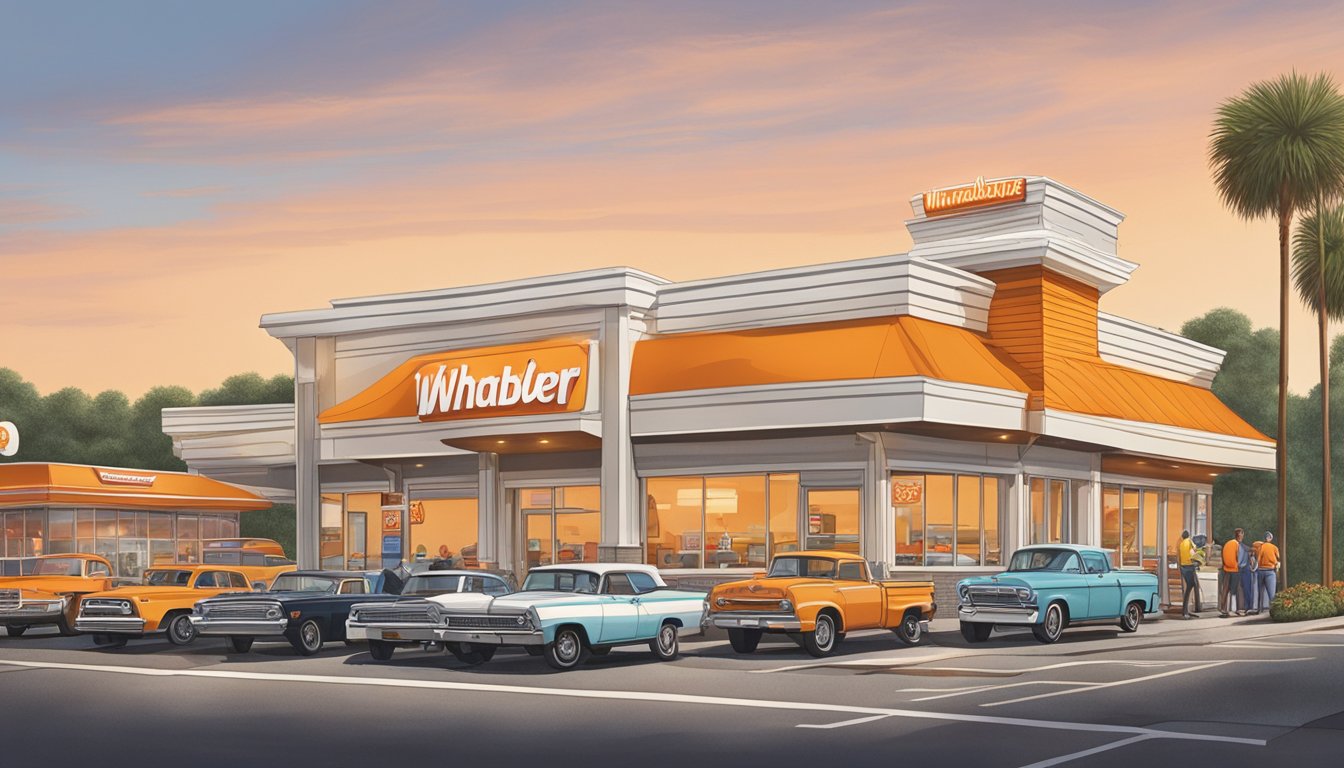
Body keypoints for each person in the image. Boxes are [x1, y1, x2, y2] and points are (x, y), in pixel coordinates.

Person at [1219, 528, 1244, 618]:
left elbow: (1223, 556)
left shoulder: (1227, 544)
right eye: (1241, 535)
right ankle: (1238, 609)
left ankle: (1224, 609)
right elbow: (1239, 558)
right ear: (1240, 536)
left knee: (1225, 589)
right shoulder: (1238, 545)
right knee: (1238, 589)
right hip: (1235, 570)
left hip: (1226, 570)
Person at [1178, 530, 1200, 619]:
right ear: (1188, 536)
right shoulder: (1189, 541)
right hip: (1189, 566)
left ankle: (1188, 609)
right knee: (1192, 586)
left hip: (1183, 567)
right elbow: (1193, 553)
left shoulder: (1181, 544)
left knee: (1192, 585)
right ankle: (1186, 611)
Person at [1256, 531, 1280, 612]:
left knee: (1260, 591)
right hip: (1270, 571)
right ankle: (1273, 610)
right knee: (1271, 593)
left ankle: (1259, 609)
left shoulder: (1260, 547)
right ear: (1271, 538)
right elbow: (1278, 558)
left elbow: (1258, 559)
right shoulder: (1274, 548)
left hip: (1260, 570)